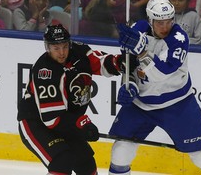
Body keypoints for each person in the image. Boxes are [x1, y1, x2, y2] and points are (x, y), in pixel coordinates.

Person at [108, 0, 201, 175]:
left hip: (177, 105)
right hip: (141, 106)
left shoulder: (178, 38)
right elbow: (128, 64)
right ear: (150, 20)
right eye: (160, 22)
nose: (165, 27)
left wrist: (141, 51)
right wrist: (129, 84)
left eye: (169, 21)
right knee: (120, 153)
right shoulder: (137, 30)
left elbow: (160, 74)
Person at [17, 24, 136, 175]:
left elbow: (99, 62)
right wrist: (83, 124)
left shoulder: (79, 52)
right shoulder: (44, 71)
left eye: (65, 46)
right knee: (61, 162)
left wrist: (119, 63)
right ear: (47, 48)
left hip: (66, 122)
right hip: (36, 123)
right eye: (56, 48)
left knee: (86, 164)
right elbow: (51, 119)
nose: (61, 53)